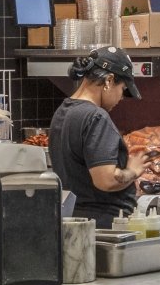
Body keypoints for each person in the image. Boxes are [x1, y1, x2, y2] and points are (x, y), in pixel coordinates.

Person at [48, 46, 139, 222]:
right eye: (122, 89)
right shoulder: (96, 117)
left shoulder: (63, 111)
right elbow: (106, 180)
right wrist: (133, 171)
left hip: (75, 218)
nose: (121, 98)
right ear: (109, 81)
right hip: (105, 223)